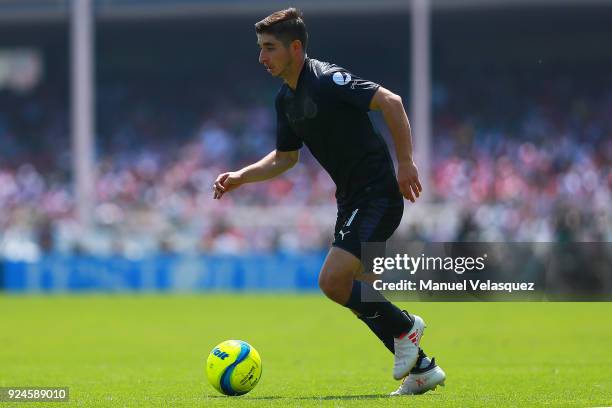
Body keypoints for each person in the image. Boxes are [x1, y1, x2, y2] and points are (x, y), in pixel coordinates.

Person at [213, 8, 445, 396]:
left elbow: (392, 102)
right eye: (260, 49)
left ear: (296, 47)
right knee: (362, 296)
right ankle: (422, 368)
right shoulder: (285, 100)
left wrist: (405, 162)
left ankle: (407, 327)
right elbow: (285, 157)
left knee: (333, 282)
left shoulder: (326, 79)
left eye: (270, 48)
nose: (262, 58)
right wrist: (241, 176)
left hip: (376, 195)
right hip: (351, 199)